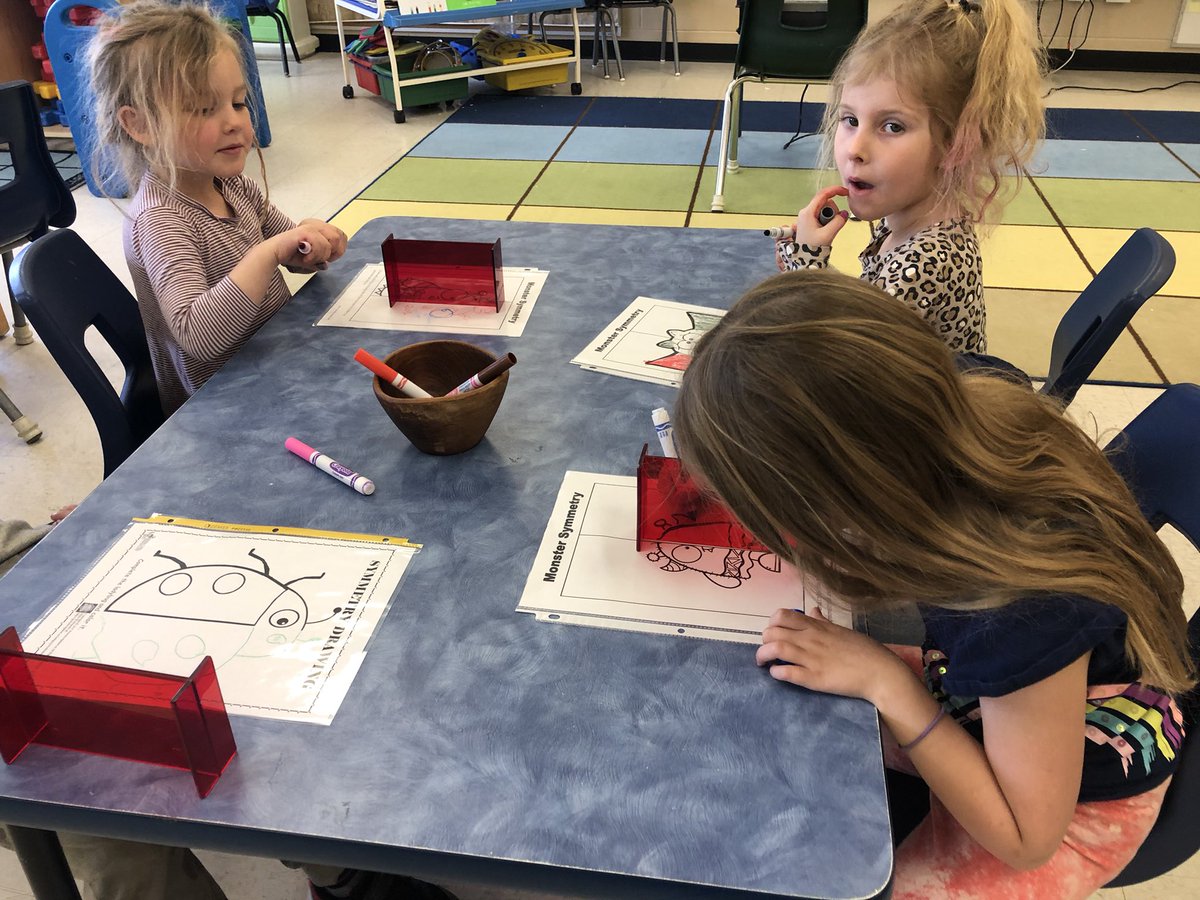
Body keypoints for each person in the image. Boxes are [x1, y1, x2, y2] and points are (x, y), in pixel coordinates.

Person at [673, 269, 1194, 899]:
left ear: (841, 507)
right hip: (1006, 701)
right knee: (774, 698)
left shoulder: (1014, 608)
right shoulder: (967, 400)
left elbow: (1026, 840)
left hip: (1077, 805)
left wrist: (889, 684)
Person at [85, 0, 347, 416]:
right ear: (140, 125)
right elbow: (199, 336)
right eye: (205, 108)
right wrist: (268, 253)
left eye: (238, 103)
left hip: (274, 364)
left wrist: (312, 241)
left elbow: (290, 249)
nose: (234, 122)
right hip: (222, 410)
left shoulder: (231, 184)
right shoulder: (161, 219)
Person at [773, 0, 1045, 354]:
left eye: (892, 126)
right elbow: (871, 311)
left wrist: (807, 268)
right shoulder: (915, 226)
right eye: (850, 120)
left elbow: (843, 360)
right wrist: (812, 266)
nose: (856, 149)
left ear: (956, 144)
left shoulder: (925, 261)